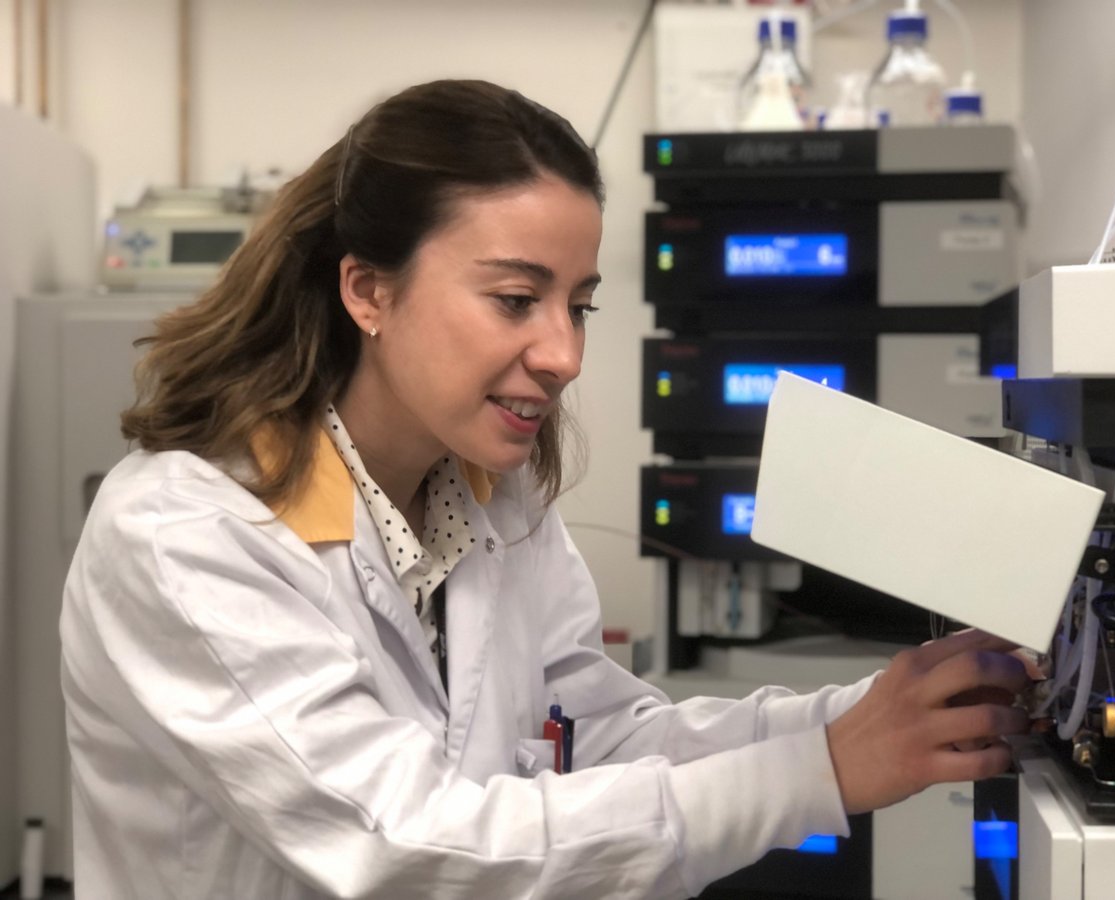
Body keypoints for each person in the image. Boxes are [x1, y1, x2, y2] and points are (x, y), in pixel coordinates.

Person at [60, 79, 1030, 900]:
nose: (563, 353)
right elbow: (402, 841)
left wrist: (876, 717)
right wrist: (819, 772)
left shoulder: (486, 497)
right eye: (516, 300)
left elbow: (602, 738)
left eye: (579, 306)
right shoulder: (190, 535)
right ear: (368, 291)